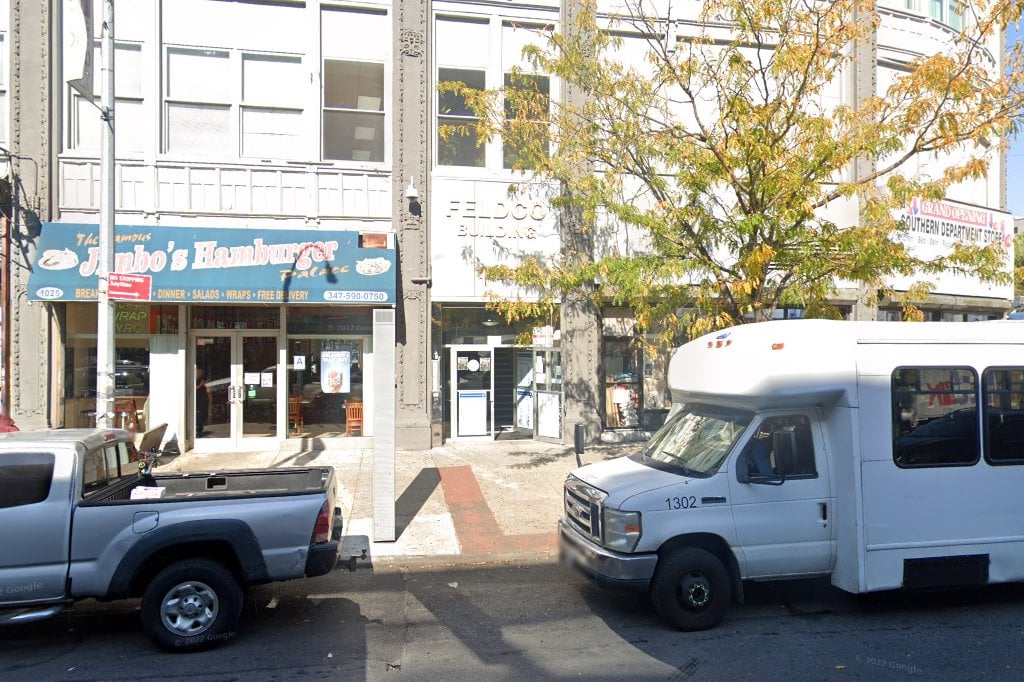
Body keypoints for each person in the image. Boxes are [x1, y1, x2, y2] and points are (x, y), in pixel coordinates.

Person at [195, 369, 210, 436]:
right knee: (198, 414)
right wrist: (200, 385)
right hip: (198, 400)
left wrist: (205, 386)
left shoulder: (203, 381)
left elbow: (207, 390)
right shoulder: (196, 381)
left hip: (203, 400)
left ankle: (200, 429)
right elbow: (194, 389)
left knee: (202, 413)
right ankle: (198, 429)